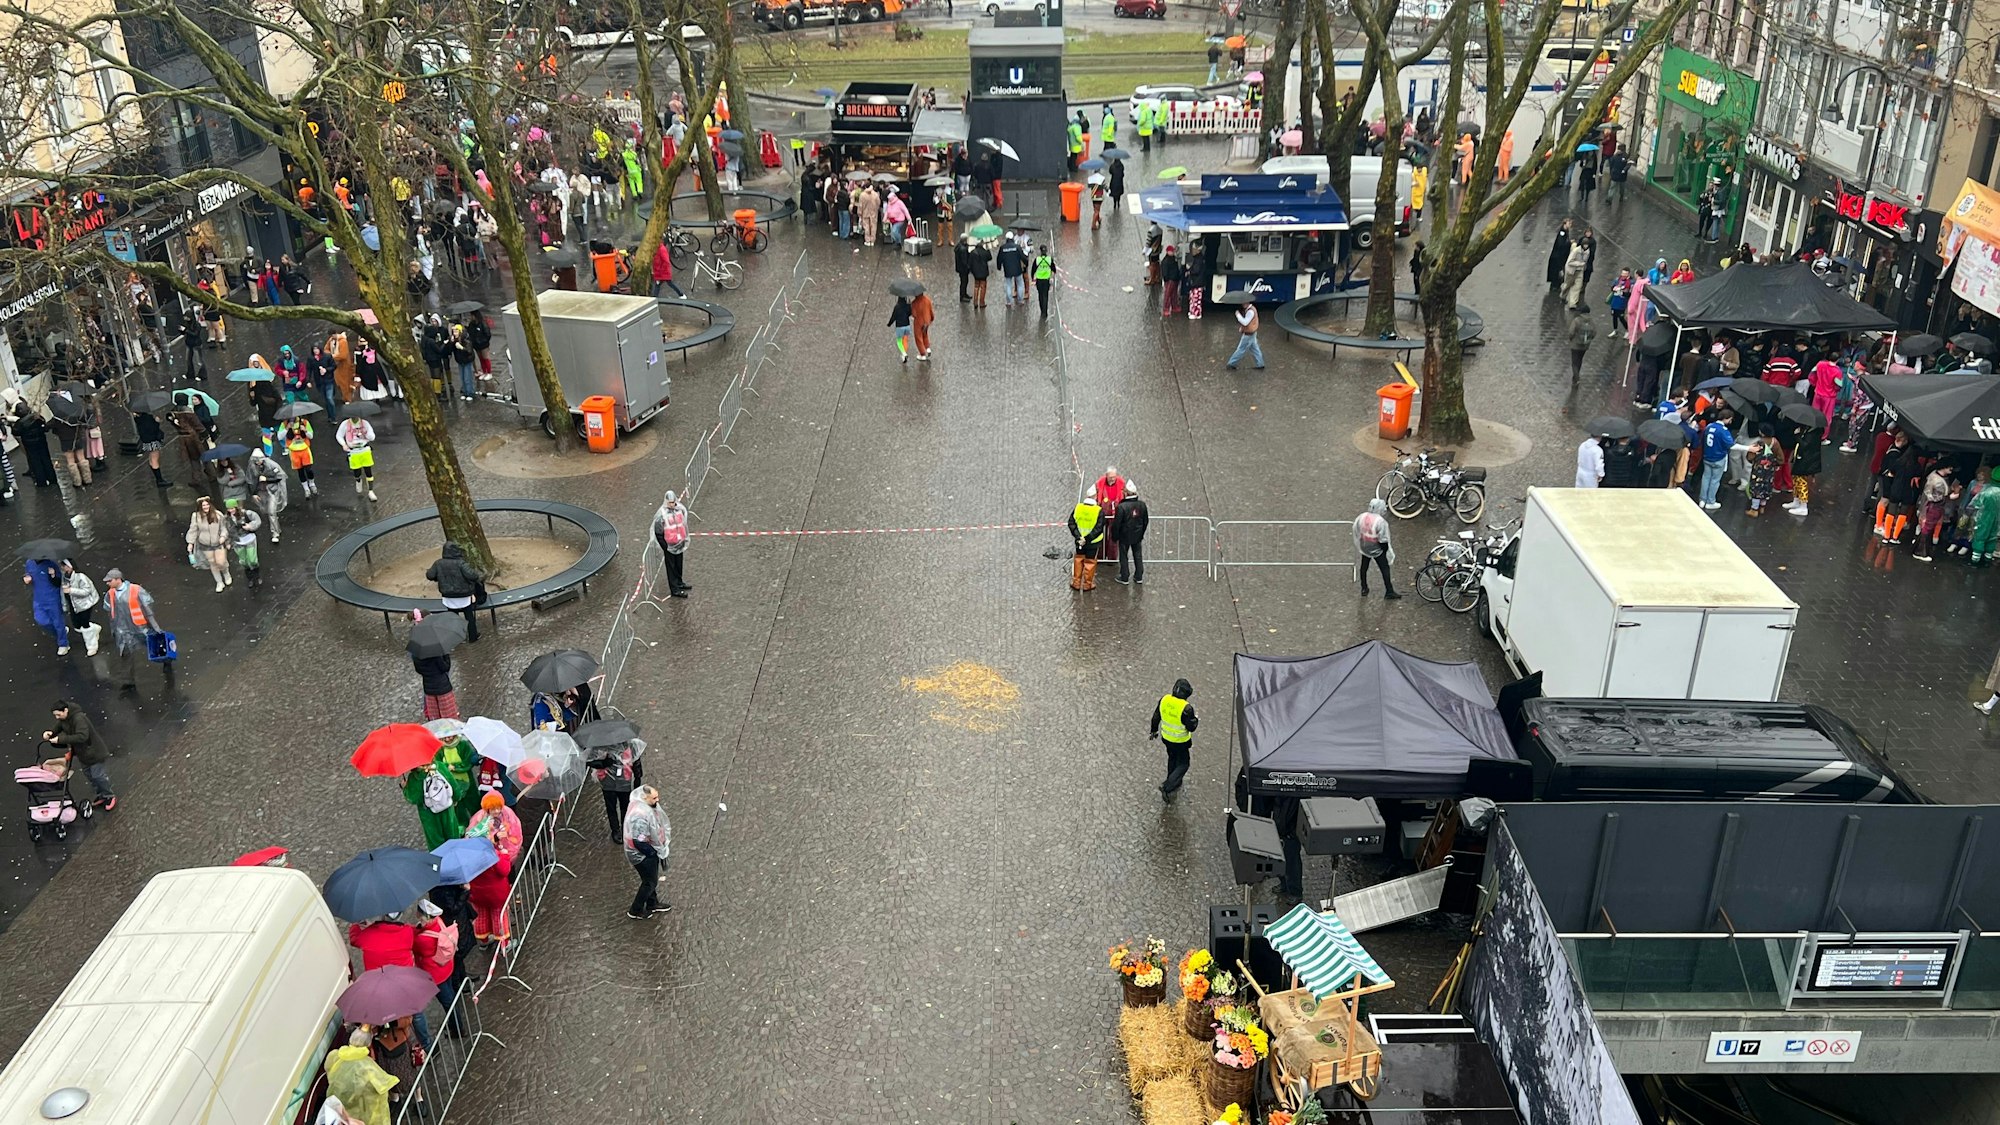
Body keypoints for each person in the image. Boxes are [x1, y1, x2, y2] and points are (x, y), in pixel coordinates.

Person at [103, 569, 166, 690]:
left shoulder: (136, 590)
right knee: (125, 653)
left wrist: (154, 625)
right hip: (123, 629)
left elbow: (147, 607)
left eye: (109, 581)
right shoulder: (110, 594)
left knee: (153, 645)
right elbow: (109, 610)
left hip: (139, 627)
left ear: (118, 579)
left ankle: (166, 659)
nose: (107, 583)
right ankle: (128, 680)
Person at [45, 700, 113, 809]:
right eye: (55, 715)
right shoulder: (64, 719)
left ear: (66, 710)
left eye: (58, 714)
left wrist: (60, 739)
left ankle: (109, 795)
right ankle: (102, 795)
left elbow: (82, 736)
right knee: (90, 776)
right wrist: (51, 734)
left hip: (94, 752)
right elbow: (58, 728)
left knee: (98, 776)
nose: (57, 717)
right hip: (83, 754)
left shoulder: (78, 719)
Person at [323, 1030, 397, 1125]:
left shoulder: (335, 1056)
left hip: (338, 1111)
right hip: (361, 1117)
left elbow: (329, 1071)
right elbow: (380, 1097)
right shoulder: (368, 1067)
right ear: (368, 1045)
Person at [623, 784, 671, 919]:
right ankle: (635, 910)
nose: (657, 800)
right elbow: (638, 841)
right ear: (645, 797)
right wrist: (652, 853)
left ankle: (652, 903)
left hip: (646, 851)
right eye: (654, 798)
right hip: (641, 854)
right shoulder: (640, 815)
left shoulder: (644, 807)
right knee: (649, 882)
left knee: (650, 880)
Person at [425, 543, 484, 642]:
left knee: (453, 618)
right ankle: (473, 637)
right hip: (464, 595)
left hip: (448, 596)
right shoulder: (461, 563)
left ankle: (457, 638)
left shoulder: (438, 563)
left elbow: (430, 575)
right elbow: (473, 576)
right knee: (469, 617)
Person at [1148, 678, 1197, 797]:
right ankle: (1167, 786)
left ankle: (1174, 780)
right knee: (1184, 763)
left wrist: (1154, 731)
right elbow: (1191, 727)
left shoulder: (1164, 700)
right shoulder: (1186, 708)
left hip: (1166, 738)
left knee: (1172, 758)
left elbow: (1155, 717)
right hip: (1181, 741)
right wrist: (1195, 721)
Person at [1353, 498, 1400, 598]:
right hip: (1376, 548)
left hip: (1364, 545)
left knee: (1364, 567)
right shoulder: (1380, 522)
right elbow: (1383, 539)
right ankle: (1389, 591)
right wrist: (1385, 550)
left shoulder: (1362, 517)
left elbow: (1356, 530)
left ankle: (1364, 587)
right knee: (1384, 568)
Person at [23, 557, 69, 654]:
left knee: (57, 622)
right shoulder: (29, 563)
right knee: (41, 620)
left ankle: (63, 644)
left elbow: (58, 582)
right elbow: (27, 574)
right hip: (38, 599)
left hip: (52, 598)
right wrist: (27, 579)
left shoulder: (51, 564)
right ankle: (61, 633)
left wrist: (53, 575)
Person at [187, 495, 232, 591]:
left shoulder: (217, 514)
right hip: (205, 544)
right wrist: (190, 543)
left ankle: (226, 573)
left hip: (218, 543)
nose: (206, 507)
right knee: (212, 563)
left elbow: (224, 527)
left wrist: (223, 537)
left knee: (221, 562)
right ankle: (219, 582)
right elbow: (193, 530)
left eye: (207, 505)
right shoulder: (196, 516)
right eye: (203, 505)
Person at [467, 790, 524, 864]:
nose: (497, 811)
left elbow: (516, 834)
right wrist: (494, 838)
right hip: (487, 859)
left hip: (506, 856)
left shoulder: (508, 814)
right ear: (487, 808)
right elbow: (473, 837)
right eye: (493, 809)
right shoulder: (479, 818)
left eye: (499, 808)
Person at [653, 490, 691, 597]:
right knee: (671, 567)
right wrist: (665, 546)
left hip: (679, 542)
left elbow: (683, 524)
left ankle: (679, 582)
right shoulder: (661, 514)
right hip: (669, 545)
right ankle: (674, 589)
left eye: (673, 502)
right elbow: (658, 532)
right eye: (670, 502)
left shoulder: (679, 510)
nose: (672, 504)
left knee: (679, 564)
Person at [412, 629, 457, 720]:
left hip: (428, 689)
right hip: (442, 687)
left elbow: (419, 670)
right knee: (449, 718)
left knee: (435, 719)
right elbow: (445, 667)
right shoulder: (435, 651)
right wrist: (445, 653)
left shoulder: (416, 652)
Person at [1783, 419, 1822, 519]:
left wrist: (1797, 435)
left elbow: (1805, 445)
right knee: (1796, 479)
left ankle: (1803, 506)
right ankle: (1796, 500)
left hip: (1806, 461)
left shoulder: (1813, 434)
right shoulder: (1809, 430)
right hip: (1801, 458)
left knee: (1801, 481)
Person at [1068, 488, 1105, 592]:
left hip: (1079, 542)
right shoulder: (1098, 510)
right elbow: (1098, 528)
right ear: (1095, 496)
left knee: (1078, 560)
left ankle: (1076, 582)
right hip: (1093, 542)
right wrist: (1087, 539)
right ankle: (1087, 584)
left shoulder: (1078, 508)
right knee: (1090, 562)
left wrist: (1079, 536)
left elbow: (1071, 523)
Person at [60, 560, 100, 656]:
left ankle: (92, 646)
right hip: (73, 605)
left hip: (85, 604)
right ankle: (93, 628)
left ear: (70, 566)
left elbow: (86, 591)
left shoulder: (80, 577)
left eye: (64, 566)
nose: (63, 568)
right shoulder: (64, 577)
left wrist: (71, 590)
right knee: (77, 625)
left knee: (85, 625)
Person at [1697, 409, 1735, 510]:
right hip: (1718, 458)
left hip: (1707, 457)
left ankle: (1702, 500)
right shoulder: (1723, 430)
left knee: (1705, 478)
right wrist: (1748, 448)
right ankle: (1710, 501)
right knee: (1715, 480)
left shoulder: (1709, 427)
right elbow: (1731, 445)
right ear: (1726, 419)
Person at [1113, 480, 1148, 585]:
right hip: (1137, 535)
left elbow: (1117, 524)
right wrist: (1141, 533)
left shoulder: (1121, 507)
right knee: (1138, 555)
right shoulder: (1142, 505)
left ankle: (1124, 576)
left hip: (1124, 536)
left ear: (1126, 493)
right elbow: (1145, 521)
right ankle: (1139, 576)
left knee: (1124, 556)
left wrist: (1115, 536)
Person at [337, 412, 378, 501]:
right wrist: (344, 444)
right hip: (353, 451)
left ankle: (371, 491)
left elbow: (372, 437)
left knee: (368, 471)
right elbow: (339, 436)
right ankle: (358, 480)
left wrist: (366, 433)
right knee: (357, 471)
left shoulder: (365, 424)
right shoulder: (345, 424)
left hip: (365, 450)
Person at [225, 498, 264, 586]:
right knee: (244, 561)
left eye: (232, 508)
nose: (231, 510)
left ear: (236, 507)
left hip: (249, 538)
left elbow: (257, 520)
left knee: (252, 560)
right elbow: (225, 530)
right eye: (229, 508)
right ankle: (250, 578)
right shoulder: (226, 519)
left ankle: (257, 576)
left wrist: (250, 526)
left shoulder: (246, 513)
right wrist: (227, 542)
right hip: (237, 541)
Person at [1744, 426, 1780, 517]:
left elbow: (1750, 457)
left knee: (1757, 488)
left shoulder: (1759, 443)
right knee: (1766, 486)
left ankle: (1754, 509)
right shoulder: (1775, 442)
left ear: (1762, 433)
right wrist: (1776, 464)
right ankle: (1762, 507)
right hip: (1770, 469)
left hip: (1758, 470)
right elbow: (1780, 457)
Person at [1971, 468, 2000, 565]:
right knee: (1993, 538)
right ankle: (1987, 560)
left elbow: (1975, 504)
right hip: (1998, 520)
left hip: (1984, 517)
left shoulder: (1987, 491)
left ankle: (1975, 561)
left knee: (1980, 537)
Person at [1226, 300, 1264, 371]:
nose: (1243, 304)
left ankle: (1231, 364)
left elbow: (1245, 322)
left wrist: (1238, 315)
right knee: (1255, 348)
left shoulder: (1250, 311)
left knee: (1241, 349)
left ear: (1248, 302)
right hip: (1252, 332)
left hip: (1248, 334)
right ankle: (1260, 364)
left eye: (1244, 302)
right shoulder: (1251, 309)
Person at [1566, 310, 1593, 386]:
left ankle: (1576, 378)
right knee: (1580, 360)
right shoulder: (1591, 321)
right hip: (1585, 345)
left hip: (1575, 345)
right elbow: (1594, 332)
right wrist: (1589, 340)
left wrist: (1571, 339)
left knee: (1574, 362)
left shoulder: (1577, 320)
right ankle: (1575, 377)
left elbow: (1571, 332)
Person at [998, 236, 1026, 307]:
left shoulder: (1002, 248)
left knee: (1008, 285)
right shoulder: (1017, 247)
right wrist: (1026, 264)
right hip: (1017, 269)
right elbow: (1023, 257)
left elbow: (999, 258)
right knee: (1020, 284)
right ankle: (1020, 300)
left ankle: (1008, 302)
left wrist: (999, 267)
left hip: (1007, 269)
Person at [909, 288, 935, 362]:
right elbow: (931, 310)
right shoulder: (927, 300)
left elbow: (914, 314)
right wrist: (931, 318)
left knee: (918, 337)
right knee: (925, 335)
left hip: (919, 323)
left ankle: (922, 354)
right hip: (927, 321)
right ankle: (927, 348)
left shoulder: (914, 303)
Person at [1545, 219, 1572, 292]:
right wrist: (1569, 243)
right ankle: (1555, 285)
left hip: (1559, 256)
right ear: (1565, 224)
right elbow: (1561, 244)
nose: (1570, 225)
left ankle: (1556, 284)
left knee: (1558, 271)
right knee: (1556, 271)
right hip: (1557, 257)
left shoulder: (1565, 232)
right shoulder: (1562, 232)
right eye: (1569, 223)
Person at [887, 295, 915, 363]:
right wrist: (909, 305)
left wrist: (889, 324)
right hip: (907, 326)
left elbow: (893, 317)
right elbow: (910, 313)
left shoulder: (897, 307)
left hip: (900, 326)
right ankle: (904, 354)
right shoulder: (907, 306)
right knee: (905, 340)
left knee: (899, 341)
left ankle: (904, 353)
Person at [967, 237, 992, 309]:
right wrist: (988, 249)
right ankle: (981, 302)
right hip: (983, 273)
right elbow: (990, 258)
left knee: (976, 286)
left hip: (976, 273)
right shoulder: (985, 252)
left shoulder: (972, 252)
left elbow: (970, 263)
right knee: (983, 287)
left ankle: (975, 302)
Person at [1159, 245, 1182, 318]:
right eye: (1171, 251)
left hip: (1174, 279)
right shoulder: (1166, 261)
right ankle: (1166, 308)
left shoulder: (1172, 259)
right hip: (1170, 280)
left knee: (1174, 294)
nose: (1173, 252)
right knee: (1168, 294)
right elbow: (1164, 271)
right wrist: (1166, 279)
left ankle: (1174, 306)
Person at [1032, 245, 1054, 318]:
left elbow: (1033, 270)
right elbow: (1054, 269)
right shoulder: (1049, 259)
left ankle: (1042, 311)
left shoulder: (1037, 259)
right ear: (1046, 251)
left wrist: (1032, 278)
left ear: (1040, 251)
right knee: (1045, 296)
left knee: (1040, 295)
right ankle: (1045, 311)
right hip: (1046, 280)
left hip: (1039, 281)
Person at [954, 236, 973, 303]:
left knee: (964, 282)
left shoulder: (959, 246)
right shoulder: (963, 249)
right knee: (964, 282)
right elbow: (964, 261)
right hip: (963, 269)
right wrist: (969, 267)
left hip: (960, 268)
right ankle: (962, 296)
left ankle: (964, 294)